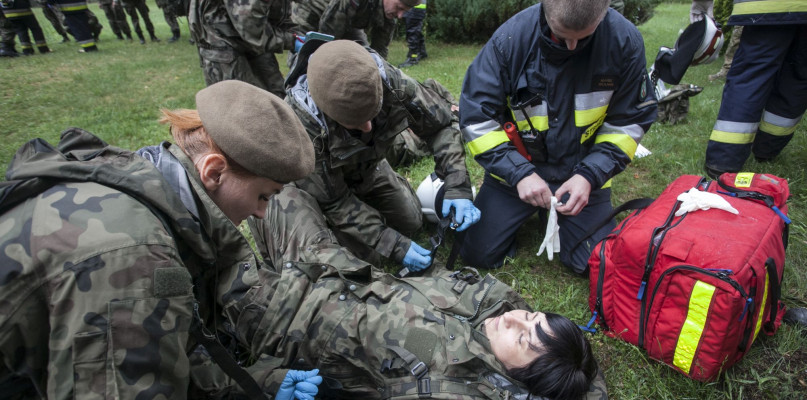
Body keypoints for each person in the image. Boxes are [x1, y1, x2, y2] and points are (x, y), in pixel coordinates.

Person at [0, 80, 322, 399]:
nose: (262, 214)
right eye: (263, 196)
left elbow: (162, 354)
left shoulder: (144, 181)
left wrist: (260, 383)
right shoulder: (138, 261)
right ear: (213, 172)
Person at [242, 184, 607, 400]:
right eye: (530, 317)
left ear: (521, 380)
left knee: (211, 251)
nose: (513, 318)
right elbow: (583, 380)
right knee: (285, 190)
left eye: (523, 338)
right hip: (337, 267)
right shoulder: (503, 319)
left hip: (280, 315)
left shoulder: (456, 386)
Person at [458, 0, 657, 274]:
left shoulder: (624, 41)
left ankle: (554, 211)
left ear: (604, 15)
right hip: (519, 170)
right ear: (545, 9)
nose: (572, 47)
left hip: (581, 171)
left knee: (594, 262)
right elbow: (477, 119)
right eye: (561, 36)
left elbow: (629, 123)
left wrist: (589, 176)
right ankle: (527, 209)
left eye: (584, 37)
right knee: (477, 254)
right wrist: (518, 173)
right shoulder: (510, 40)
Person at [274, 39, 479, 273]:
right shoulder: (303, 125)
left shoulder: (388, 81)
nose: (368, 128)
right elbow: (335, 201)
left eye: (374, 113)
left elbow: (440, 124)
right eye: (354, 124)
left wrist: (457, 185)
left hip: (369, 167)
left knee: (411, 221)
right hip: (325, 190)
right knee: (364, 258)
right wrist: (393, 244)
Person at [699, 0, 806, 178]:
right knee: (798, 75)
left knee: (752, 72)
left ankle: (724, 160)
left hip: (767, 6)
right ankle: (767, 149)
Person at [189, 0, 297, 97]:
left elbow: (277, 12)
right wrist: (292, 40)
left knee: (277, 99)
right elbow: (251, 27)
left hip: (248, 44)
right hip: (224, 49)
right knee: (241, 107)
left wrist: (295, 34)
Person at [291, 0, 417, 60]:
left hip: (346, 21)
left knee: (365, 59)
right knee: (306, 60)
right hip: (311, 13)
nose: (400, 15)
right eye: (399, 8)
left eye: (405, 11)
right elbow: (328, 34)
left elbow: (380, 52)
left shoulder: (390, 14)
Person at [397, 0, 426, 68]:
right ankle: (422, 52)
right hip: (418, 6)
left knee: (412, 32)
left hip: (413, 6)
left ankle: (413, 58)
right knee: (416, 31)